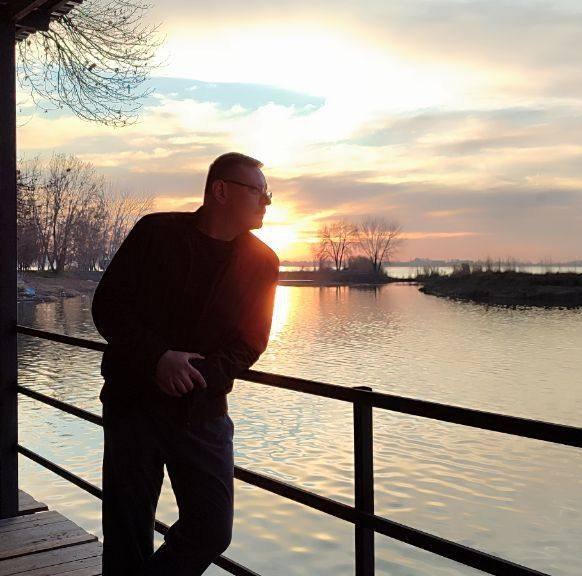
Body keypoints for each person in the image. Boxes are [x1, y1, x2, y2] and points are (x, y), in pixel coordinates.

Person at [91, 152, 279, 576]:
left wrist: (197, 376)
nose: (267, 201)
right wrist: (158, 358)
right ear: (221, 190)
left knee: (211, 529)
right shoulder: (155, 233)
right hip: (133, 404)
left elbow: (251, 341)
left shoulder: (263, 262)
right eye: (259, 191)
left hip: (202, 411)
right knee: (126, 531)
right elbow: (108, 307)